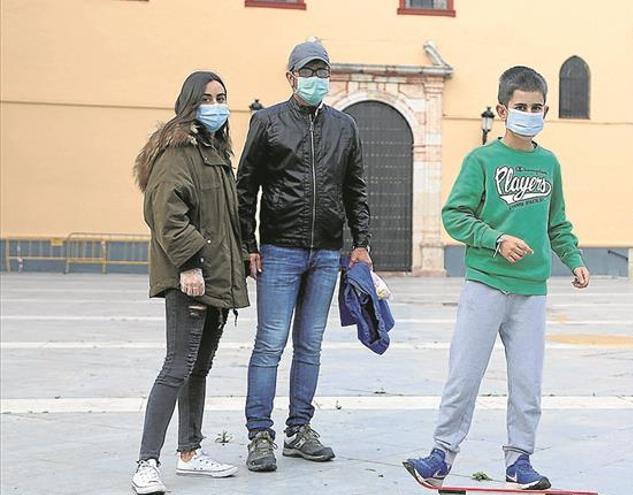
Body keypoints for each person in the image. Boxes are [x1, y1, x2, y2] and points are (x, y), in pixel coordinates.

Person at [403, 66, 591, 491]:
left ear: (546, 110)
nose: (529, 113)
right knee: (464, 375)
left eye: (536, 107)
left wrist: (574, 259)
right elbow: (454, 216)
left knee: (527, 381)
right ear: (503, 110)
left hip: (530, 292)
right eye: (521, 107)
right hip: (485, 284)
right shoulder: (482, 159)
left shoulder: (549, 163)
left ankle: (519, 461)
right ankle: (440, 456)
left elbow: (556, 221)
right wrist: (495, 239)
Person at [237, 41, 372, 472]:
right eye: (308, 71)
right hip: (279, 250)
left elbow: (356, 188)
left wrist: (361, 242)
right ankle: (260, 434)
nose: (317, 79)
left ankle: (299, 429)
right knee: (270, 344)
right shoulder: (267, 122)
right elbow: (246, 187)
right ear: (291, 76)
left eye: (323, 71)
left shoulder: (345, 126)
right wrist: (248, 245)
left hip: (327, 253)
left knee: (310, 345)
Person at [130, 71, 250, 494]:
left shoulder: (214, 152)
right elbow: (166, 215)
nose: (216, 105)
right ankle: (146, 463)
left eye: (221, 97)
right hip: (191, 277)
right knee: (177, 366)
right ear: (188, 103)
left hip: (215, 276)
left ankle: (190, 452)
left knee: (198, 367)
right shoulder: (178, 151)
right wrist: (189, 265)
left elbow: (224, 221)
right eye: (206, 98)